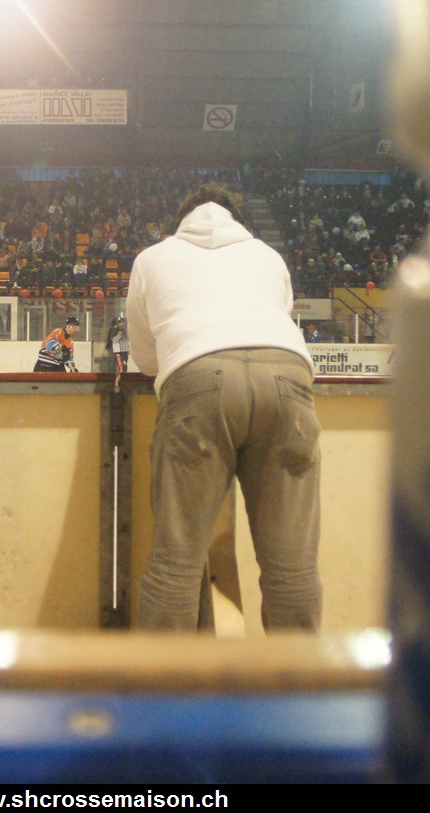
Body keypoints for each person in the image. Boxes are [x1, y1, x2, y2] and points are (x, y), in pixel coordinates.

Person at [127, 183, 322, 631]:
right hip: (286, 380)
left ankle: (162, 678)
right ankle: (300, 674)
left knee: (176, 564)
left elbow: (147, 358)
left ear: (181, 220)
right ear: (240, 221)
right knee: (291, 569)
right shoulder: (268, 257)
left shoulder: (152, 259)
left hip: (198, 380)